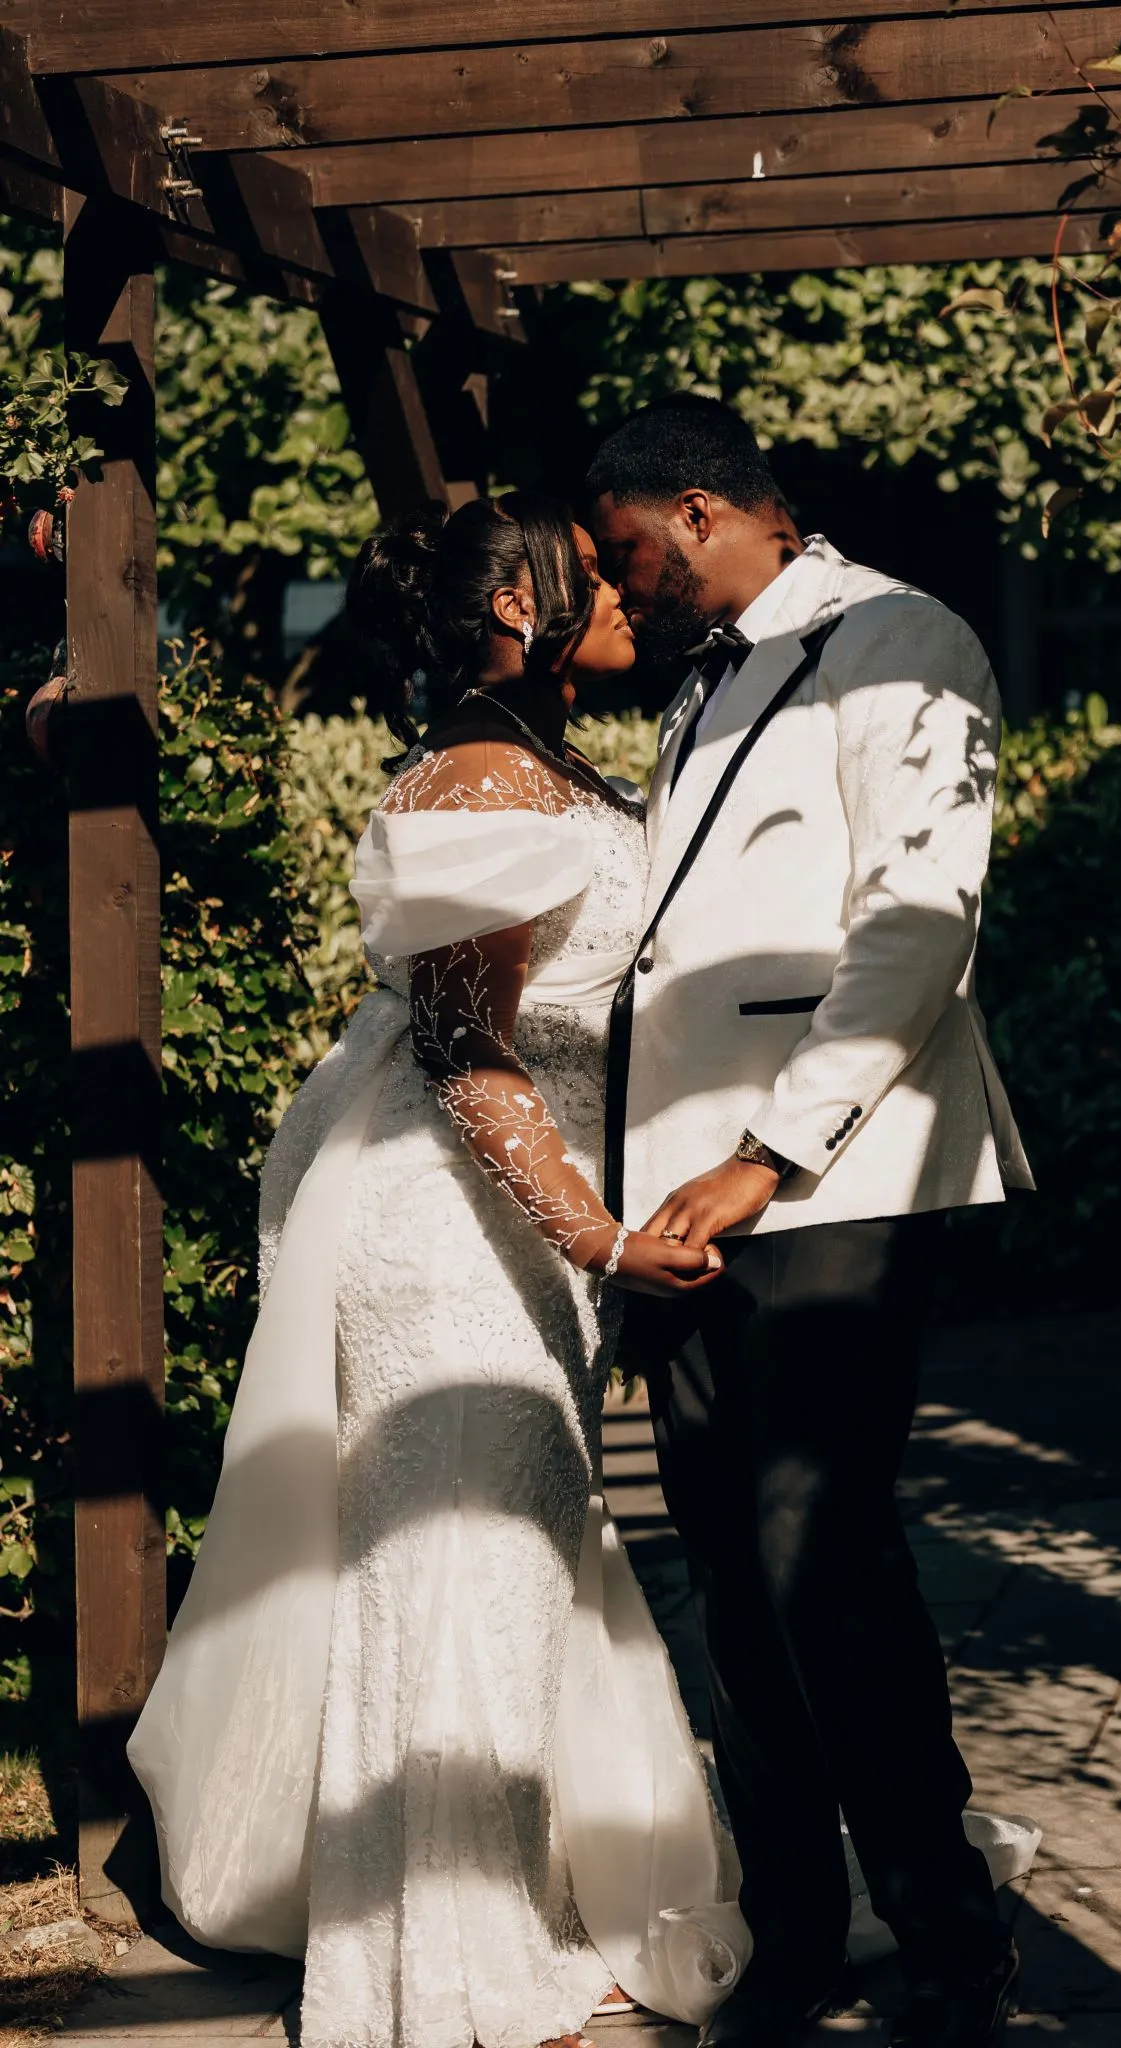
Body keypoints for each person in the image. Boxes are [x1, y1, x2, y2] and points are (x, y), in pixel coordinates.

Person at [127, 496, 745, 2048]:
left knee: (520, 1554)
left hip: (519, 1228)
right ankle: (437, 1948)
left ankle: (525, 1885)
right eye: (592, 579)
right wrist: (602, 1235)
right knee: (457, 1553)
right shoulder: (477, 776)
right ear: (511, 614)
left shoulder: (540, 761)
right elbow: (469, 1047)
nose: (622, 593)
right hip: (454, 1234)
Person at [586, 397, 1035, 2048]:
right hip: (679, 1201)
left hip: (831, 1178)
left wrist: (771, 1155)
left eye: (628, 554)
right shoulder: (704, 680)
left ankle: (944, 1932)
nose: (619, 596)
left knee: (817, 1557)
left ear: (700, 509)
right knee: (723, 1564)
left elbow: (920, 921)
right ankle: (789, 1931)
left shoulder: (900, 635)